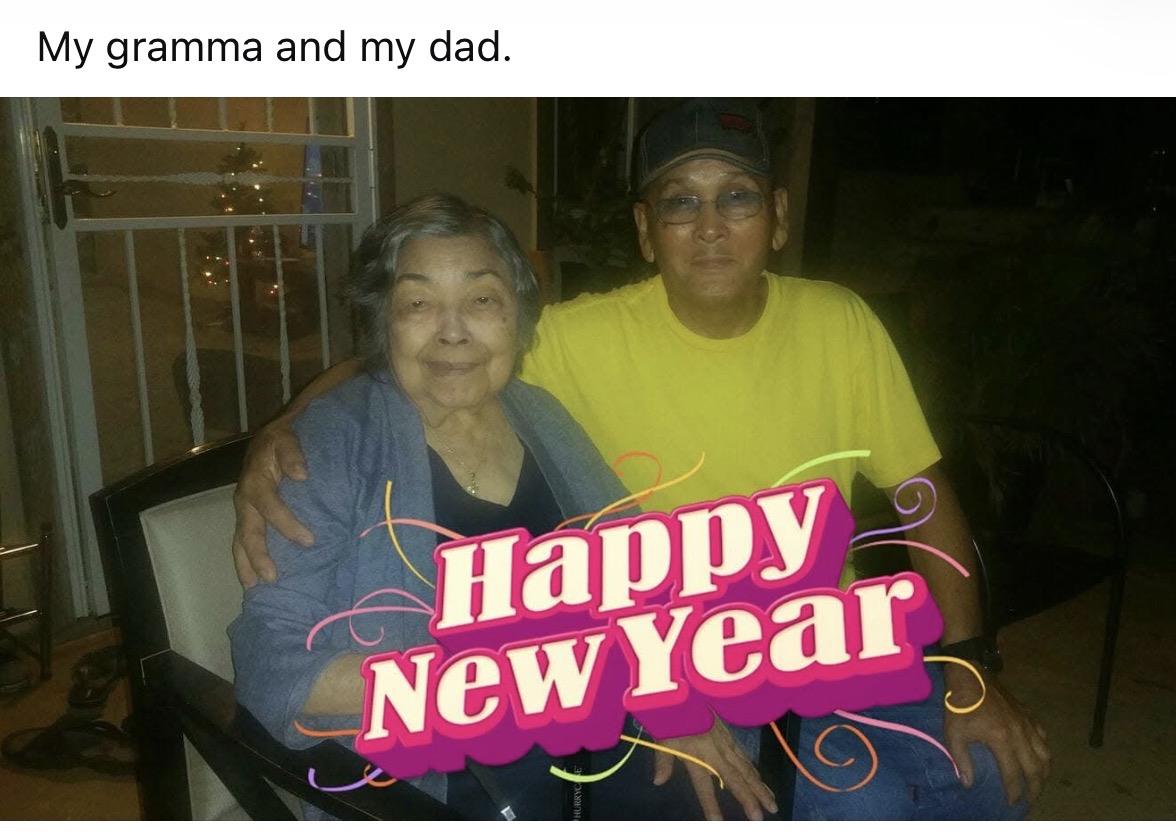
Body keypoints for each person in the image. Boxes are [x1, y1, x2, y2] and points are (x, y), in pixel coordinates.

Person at [231, 99, 1050, 820]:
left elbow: (921, 493)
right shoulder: (570, 344)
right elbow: (422, 361)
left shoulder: (836, 324)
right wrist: (287, 426)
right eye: (680, 201)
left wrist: (970, 668)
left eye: (736, 197)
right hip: (635, 685)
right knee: (858, 804)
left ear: (778, 216)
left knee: (988, 778)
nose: (709, 225)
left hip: (819, 642)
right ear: (645, 230)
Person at [227, 194, 644, 820]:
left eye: (482, 300)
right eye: (418, 304)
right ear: (384, 323)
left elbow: (637, 568)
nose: (453, 331)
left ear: (519, 319)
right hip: (433, 789)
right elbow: (271, 662)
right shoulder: (332, 445)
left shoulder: (542, 416)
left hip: (601, 747)